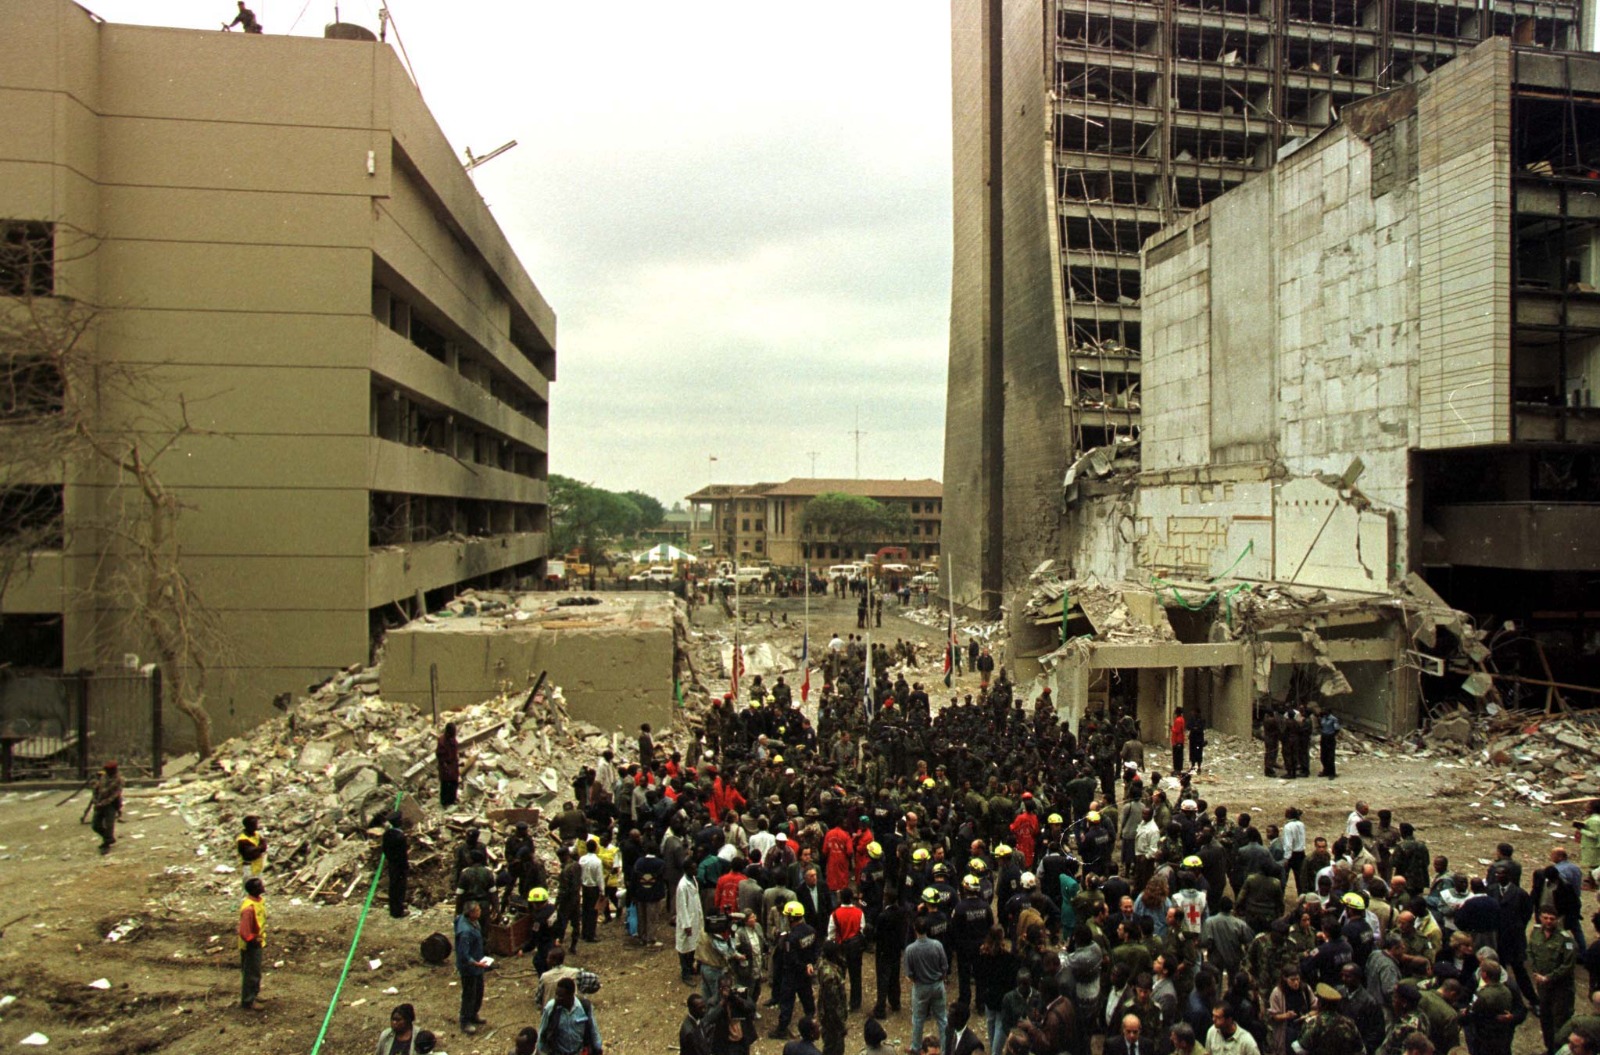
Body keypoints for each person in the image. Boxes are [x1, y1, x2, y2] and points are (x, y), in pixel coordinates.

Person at [1530, 906, 1578, 1055]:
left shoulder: (1566, 939)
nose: (1548, 921)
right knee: (1545, 1019)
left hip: (1561, 988)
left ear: (1557, 920)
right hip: (1543, 987)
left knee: (1560, 1021)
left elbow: (1568, 965)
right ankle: (1550, 1048)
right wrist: (1536, 971)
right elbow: (1530, 951)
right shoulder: (1536, 932)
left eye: (1552, 919)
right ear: (1540, 917)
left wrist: (1549, 977)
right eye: (1545, 918)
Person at [905, 915, 950, 1055]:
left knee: (918, 1019)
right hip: (937, 985)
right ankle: (945, 1049)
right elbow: (945, 966)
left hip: (921, 986)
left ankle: (916, 1047)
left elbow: (909, 973)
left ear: (915, 930)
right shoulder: (937, 945)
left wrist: (916, 981)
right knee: (942, 1018)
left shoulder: (910, 949)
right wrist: (940, 978)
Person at [539, 975, 603, 1055]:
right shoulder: (551, 1008)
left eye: (561, 996)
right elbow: (542, 1033)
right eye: (556, 995)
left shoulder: (584, 1007)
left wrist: (598, 1048)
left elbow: (593, 1030)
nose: (557, 998)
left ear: (570, 995)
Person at [456, 901, 491, 1035]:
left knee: (479, 991)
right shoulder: (465, 932)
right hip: (469, 968)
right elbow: (464, 954)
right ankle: (465, 1021)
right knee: (469, 995)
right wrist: (477, 964)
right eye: (477, 910)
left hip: (477, 964)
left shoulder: (471, 922)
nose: (480, 911)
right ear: (470, 913)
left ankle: (474, 1014)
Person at [238, 876, 266, 1011]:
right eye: (260, 885)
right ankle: (248, 1001)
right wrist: (253, 940)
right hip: (251, 945)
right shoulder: (249, 909)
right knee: (251, 973)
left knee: (255, 972)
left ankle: (253, 994)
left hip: (257, 942)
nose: (263, 886)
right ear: (255, 889)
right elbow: (244, 931)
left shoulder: (258, 902)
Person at [90, 760, 123, 854]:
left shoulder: (119, 779)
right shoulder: (103, 777)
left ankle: (107, 843)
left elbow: (115, 795)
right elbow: (96, 788)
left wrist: (103, 803)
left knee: (109, 825)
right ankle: (109, 838)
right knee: (95, 825)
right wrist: (95, 800)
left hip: (111, 804)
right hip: (100, 802)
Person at [383, 812, 409, 918]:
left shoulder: (387, 834)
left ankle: (394, 908)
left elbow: (385, 850)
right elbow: (403, 854)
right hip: (400, 866)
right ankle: (398, 911)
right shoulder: (400, 836)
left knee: (393, 887)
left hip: (392, 864)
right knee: (400, 888)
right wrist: (405, 866)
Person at [437, 723, 460, 807]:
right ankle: (445, 802)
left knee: (454, 783)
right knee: (445, 785)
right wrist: (445, 767)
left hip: (453, 765)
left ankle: (452, 799)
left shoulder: (453, 740)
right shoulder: (442, 741)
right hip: (445, 767)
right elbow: (440, 756)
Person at [1318, 709, 1340, 780]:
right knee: (1323, 756)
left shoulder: (1333, 719)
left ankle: (1332, 773)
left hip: (1330, 737)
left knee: (1330, 756)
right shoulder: (1323, 718)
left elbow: (1337, 729)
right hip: (1324, 736)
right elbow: (1321, 725)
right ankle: (1325, 770)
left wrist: (1332, 735)